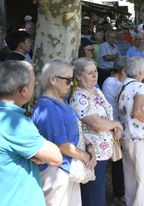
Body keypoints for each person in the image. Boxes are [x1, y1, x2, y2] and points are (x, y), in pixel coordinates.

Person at [0, 60, 62, 206]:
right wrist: (40, 156)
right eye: (34, 85)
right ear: (23, 90)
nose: (34, 89)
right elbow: (56, 157)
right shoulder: (15, 124)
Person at [32, 59, 96, 206]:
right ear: (53, 80)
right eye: (68, 80)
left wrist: (89, 146)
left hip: (67, 169)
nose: (72, 84)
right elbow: (62, 145)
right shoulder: (47, 107)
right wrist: (87, 157)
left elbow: (76, 129)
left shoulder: (62, 101)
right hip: (56, 172)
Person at [70, 58, 123, 206]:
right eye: (89, 73)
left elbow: (107, 115)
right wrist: (116, 124)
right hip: (92, 154)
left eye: (95, 71)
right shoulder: (79, 96)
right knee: (93, 196)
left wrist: (115, 132)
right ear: (79, 76)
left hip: (104, 150)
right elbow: (97, 123)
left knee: (98, 189)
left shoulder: (97, 91)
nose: (94, 75)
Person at [118, 57, 144, 205]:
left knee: (131, 177)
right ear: (141, 71)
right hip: (141, 138)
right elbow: (138, 112)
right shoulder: (140, 87)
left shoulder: (123, 86)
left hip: (127, 136)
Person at [101, 57, 127, 203]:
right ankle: (118, 193)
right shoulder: (116, 83)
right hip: (113, 127)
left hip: (111, 125)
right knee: (117, 161)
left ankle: (117, 192)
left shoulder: (108, 81)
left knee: (114, 161)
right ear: (122, 71)